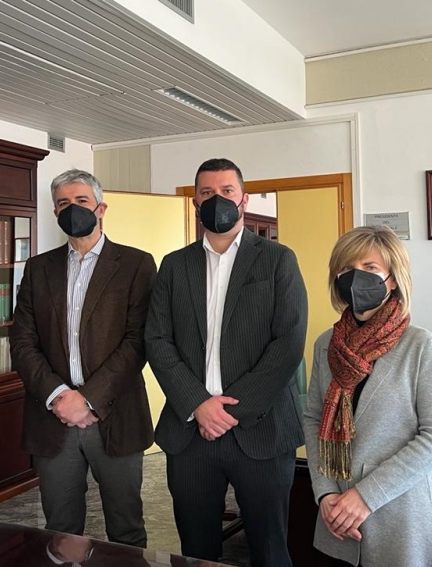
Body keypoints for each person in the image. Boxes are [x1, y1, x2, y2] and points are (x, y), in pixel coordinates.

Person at [145, 158, 308, 566]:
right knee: (196, 552)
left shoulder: (278, 259)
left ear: (244, 199)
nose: (217, 199)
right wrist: (199, 404)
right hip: (190, 434)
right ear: (195, 202)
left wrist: (231, 410)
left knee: (270, 552)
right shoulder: (174, 265)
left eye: (226, 191)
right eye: (207, 193)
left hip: (262, 430)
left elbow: (288, 343)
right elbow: (157, 340)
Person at [10, 169, 157, 548]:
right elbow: (23, 341)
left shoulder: (136, 264)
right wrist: (59, 396)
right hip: (53, 417)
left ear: (101, 208)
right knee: (60, 529)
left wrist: (88, 399)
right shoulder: (38, 269)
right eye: (63, 203)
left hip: (115, 416)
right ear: (55, 212)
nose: (72, 209)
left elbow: (137, 341)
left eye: (81, 201)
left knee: (126, 530)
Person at [302, 225, 432, 567]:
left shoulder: (421, 345)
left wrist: (366, 496)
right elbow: (314, 418)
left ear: (394, 279)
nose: (356, 277)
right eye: (347, 268)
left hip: (399, 514)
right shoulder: (326, 344)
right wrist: (325, 493)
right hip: (338, 513)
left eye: (370, 268)